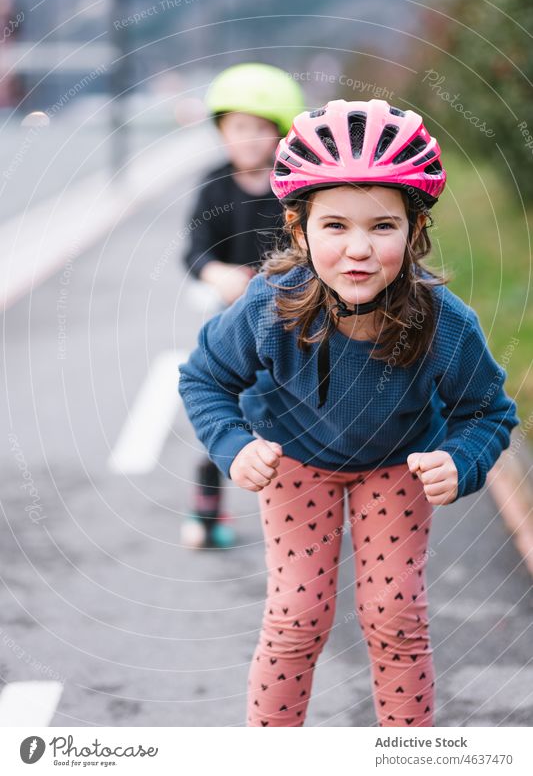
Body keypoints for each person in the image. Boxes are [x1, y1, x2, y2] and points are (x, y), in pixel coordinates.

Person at [178, 98, 520, 726]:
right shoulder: (267, 308)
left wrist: (461, 459)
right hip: (294, 460)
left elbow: (488, 411)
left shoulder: (444, 324)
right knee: (295, 619)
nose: (358, 249)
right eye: (335, 226)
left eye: (382, 226)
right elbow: (205, 379)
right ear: (299, 229)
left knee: (396, 621)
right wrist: (232, 444)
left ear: (414, 232)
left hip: (397, 465)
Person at [180, 62, 305, 549]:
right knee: (223, 413)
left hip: (294, 319)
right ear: (221, 132)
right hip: (233, 323)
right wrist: (216, 273)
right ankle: (207, 517)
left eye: (258, 129)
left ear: (279, 134)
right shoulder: (214, 184)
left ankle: (310, 505)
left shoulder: (292, 185)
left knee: (291, 415)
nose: (247, 139)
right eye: (236, 128)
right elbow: (194, 248)